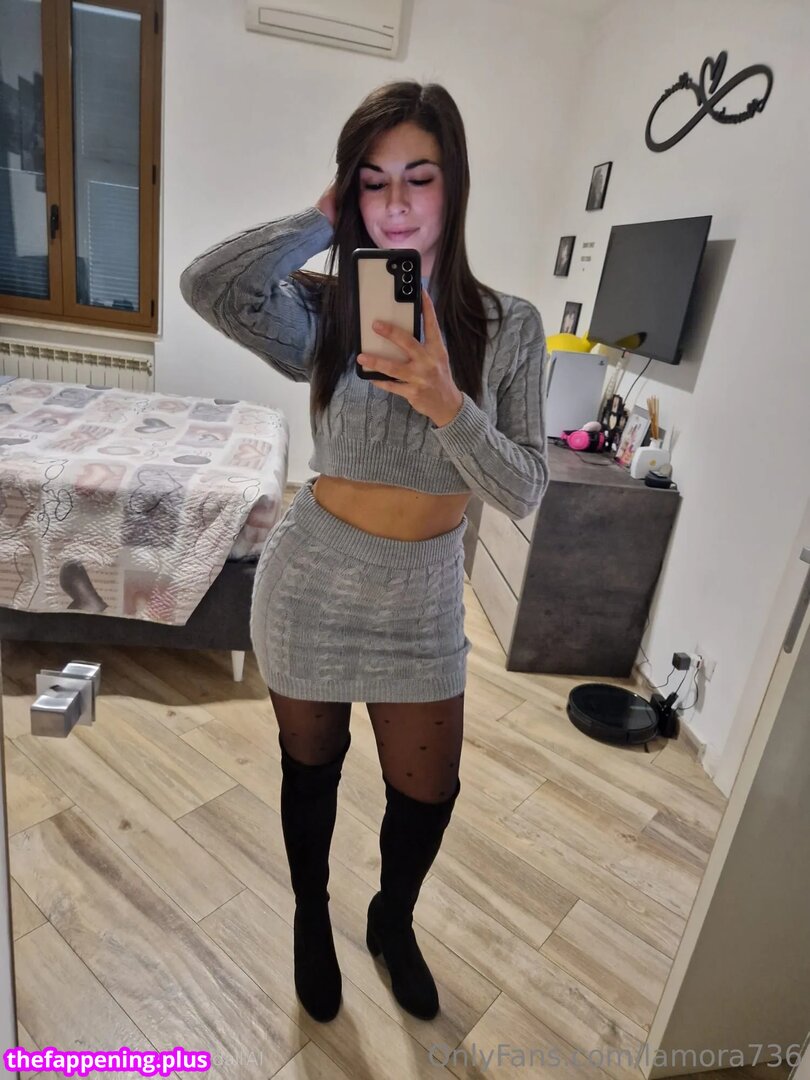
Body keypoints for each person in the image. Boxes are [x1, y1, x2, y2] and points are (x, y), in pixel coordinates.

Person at [179, 80, 549, 1026]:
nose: (397, 202)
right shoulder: (330, 315)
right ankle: (312, 915)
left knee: (428, 792)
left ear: (455, 184)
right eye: (373, 181)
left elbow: (524, 489)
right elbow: (209, 284)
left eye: (419, 177)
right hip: (311, 581)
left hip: (421, 602)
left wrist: (446, 401)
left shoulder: (510, 328)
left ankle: (391, 920)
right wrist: (323, 219)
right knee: (311, 773)